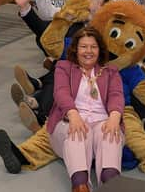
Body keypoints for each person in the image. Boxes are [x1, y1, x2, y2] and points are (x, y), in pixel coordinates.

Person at [46, 26, 124, 192]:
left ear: (100, 49)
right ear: (75, 49)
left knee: (109, 134)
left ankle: (111, 184)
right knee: (78, 131)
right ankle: (80, 185)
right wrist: (73, 115)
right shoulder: (63, 67)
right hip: (69, 119)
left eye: (93, 47)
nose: (88, 51)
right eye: (83, 46)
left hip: (102, 120)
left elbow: (116, 95)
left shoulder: (111, 71)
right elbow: (61, 93)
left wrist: (114, 118)